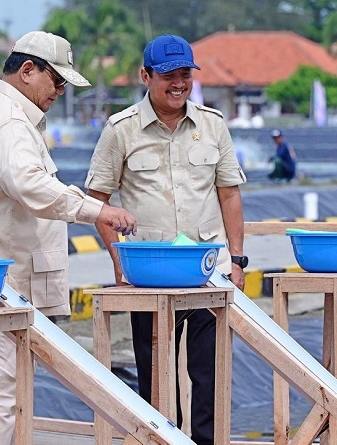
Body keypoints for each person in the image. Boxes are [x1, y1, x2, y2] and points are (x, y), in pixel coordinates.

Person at [0, 31, 137, 444]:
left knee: (3, 386)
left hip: (1, 271)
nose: (60, 90)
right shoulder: (9, 122)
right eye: (57, 80)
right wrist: (98, 210)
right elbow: (31, 187)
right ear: (28, 70)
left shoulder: (7, 115)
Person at [85, 34, 247, 445]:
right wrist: (119, 263)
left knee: (209, 372)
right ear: (145, 75)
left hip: (208, 271)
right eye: (168, 76)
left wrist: (239, 261)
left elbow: (229, 193)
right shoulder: (120, 130)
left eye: (185, 75)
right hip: (149, 273)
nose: (178, 84)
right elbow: (97, 202)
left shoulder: (212, 125)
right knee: (156, 375)